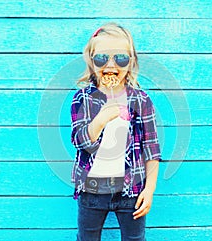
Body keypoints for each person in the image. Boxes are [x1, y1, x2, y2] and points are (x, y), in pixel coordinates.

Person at [70, 22, 161, 241]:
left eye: (120, 58)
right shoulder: (83, 99)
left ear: (131, 62)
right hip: (91, 190)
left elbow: (151, 148)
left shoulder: (140, 100)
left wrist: (149, 190)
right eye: (102, 58)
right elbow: (80, 141)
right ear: (91, 61)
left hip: (131, 191)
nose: (111, 65)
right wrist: (100, 119)